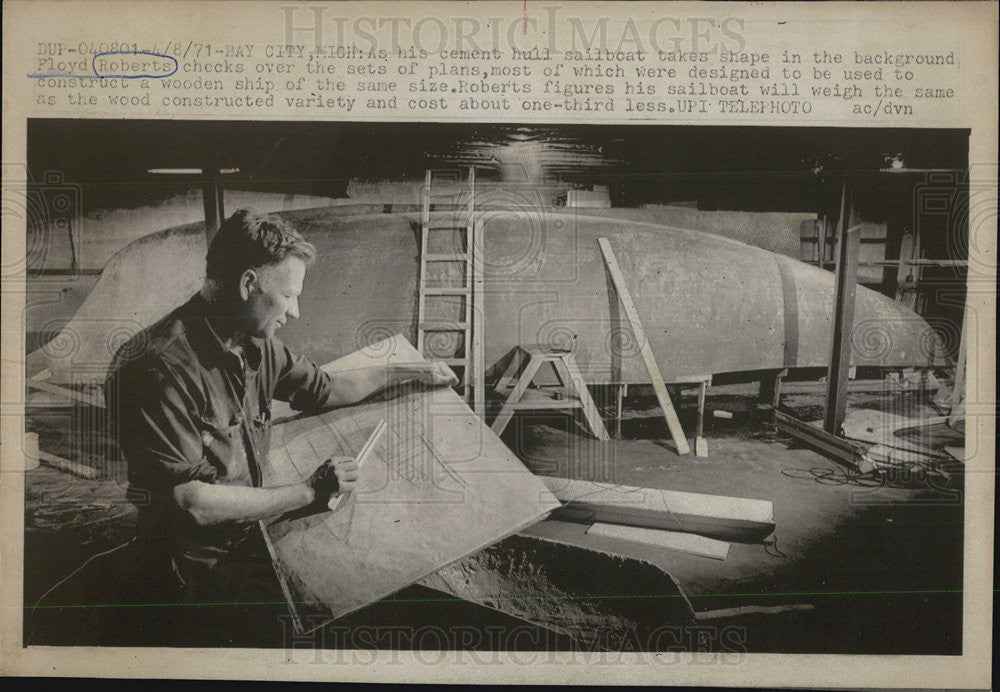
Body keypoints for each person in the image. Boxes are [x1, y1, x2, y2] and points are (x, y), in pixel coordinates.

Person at [103, 209, 457, 643]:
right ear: (248, 283)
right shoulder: (157, 367)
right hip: (185, 576)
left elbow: (328, 389)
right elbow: (189, 501)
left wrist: (408, 371)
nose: (296, 311)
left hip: (249, 547)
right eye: (288, 296)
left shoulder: (256, 344)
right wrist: (307, 492)